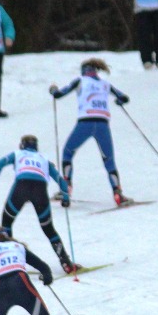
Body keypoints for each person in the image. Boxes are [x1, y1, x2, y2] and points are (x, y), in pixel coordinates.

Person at [0, 135, 81, 273]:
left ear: (22, 145)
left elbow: (0, 163)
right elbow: (61, 181)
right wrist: (65, 198)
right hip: (40, 191)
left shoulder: (17, 154)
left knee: (6, 223)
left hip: (21, 188)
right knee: (49, 229)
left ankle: (5, 259)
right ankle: (66, 263)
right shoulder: (44, 160)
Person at [49, 58, 132, 206]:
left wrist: (53, 90)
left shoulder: (80, 80)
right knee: (109, 159)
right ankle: (117, 193)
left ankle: (66, 188)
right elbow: (124, 98)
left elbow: (59, 94)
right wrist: (118, 102)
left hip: (85, 122)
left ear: (84, 70)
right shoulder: (105, 84)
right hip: (103, 124)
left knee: (68, 152)